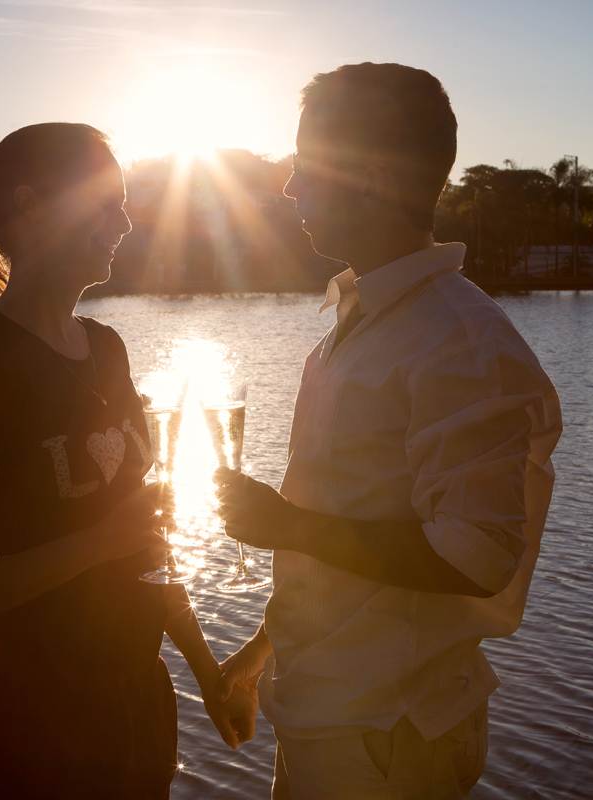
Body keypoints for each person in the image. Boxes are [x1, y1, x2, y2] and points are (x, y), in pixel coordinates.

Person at [211, 64, 563, 799]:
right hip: (326, 717)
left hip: (387, 741)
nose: (289, 187)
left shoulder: (460, 343)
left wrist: (286, 526)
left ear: (370, 178)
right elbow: (351, 520)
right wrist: (262, 650)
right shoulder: (361, 323)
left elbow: (475, 557)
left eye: (306, 166)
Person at [0, 122, 256, 799]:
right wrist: (99, 542)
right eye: (106, 203)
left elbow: (145, 545)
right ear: (32, 206)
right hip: (31, 722)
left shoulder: (106, 349)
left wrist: (209, 672)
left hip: (136, 702)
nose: (124, 223)